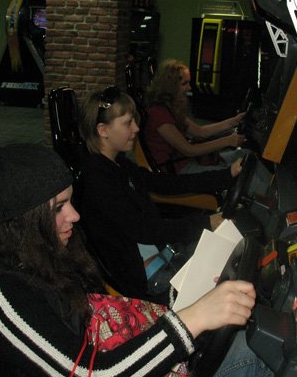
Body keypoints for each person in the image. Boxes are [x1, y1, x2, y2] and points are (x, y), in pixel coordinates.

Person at [0, 143, 276, 377]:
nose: (75, 215)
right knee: (251, 360)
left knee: (244, 347)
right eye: (58, 208)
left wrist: (188, 300)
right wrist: (194, 318)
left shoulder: (33, 251)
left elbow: (96, 320)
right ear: (25, 219)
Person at [77, 86, 243, 302]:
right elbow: (145, 230)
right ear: (103, 130)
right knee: (227, 275)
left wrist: (227, 175)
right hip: (147, 278)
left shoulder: (119, 165)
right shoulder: (97, 178)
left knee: (230, 255)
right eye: (128, 123)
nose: (136, 128)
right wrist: (206, 222)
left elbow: (166, 183)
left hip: (162, 254)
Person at [143, 58, 247, 174]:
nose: (189, 88)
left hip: (185, 161)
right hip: (176, 170)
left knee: (245, 155)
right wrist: (227, 141)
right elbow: (189, 150)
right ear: (170, 87)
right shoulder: (158, 113)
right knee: (242, 170)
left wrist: (233, 121)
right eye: (184, 84)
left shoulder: (170, 107)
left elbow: (199, 131)